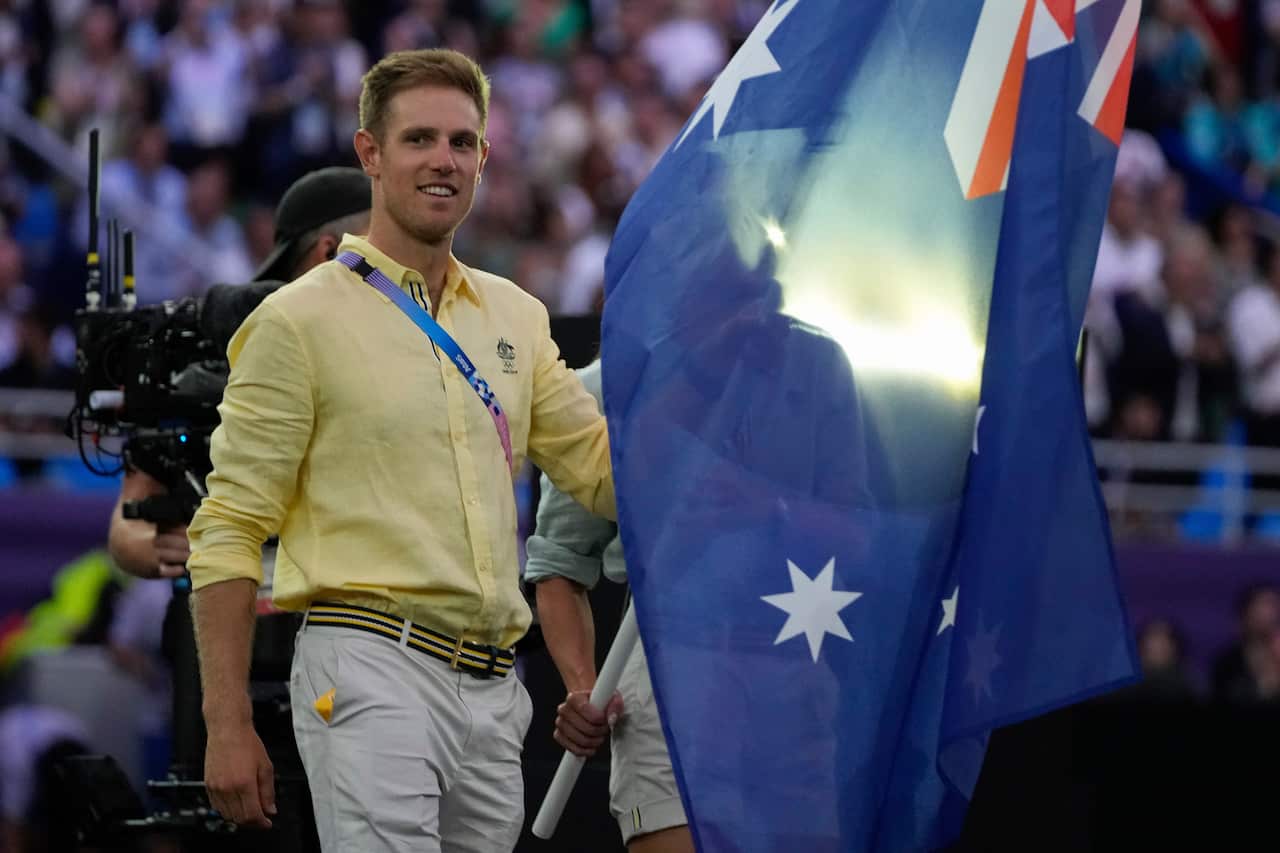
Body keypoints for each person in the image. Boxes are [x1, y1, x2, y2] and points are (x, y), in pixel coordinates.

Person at [186, 48, 614, 852]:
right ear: (370, 154)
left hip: (494, 687)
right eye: (419, 139)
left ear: (485, 158)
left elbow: (600, 471)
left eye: (462, 142)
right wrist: (226, 720)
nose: (443, 160)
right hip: (367, 662)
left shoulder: (517, 315)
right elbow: (230, 527)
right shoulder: (295, 321)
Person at [525, 358, 692, 853]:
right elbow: (559, 561)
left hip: (808, 656)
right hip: (669, 674)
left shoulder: (819, 367)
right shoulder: (608, 383)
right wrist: (583, 689)